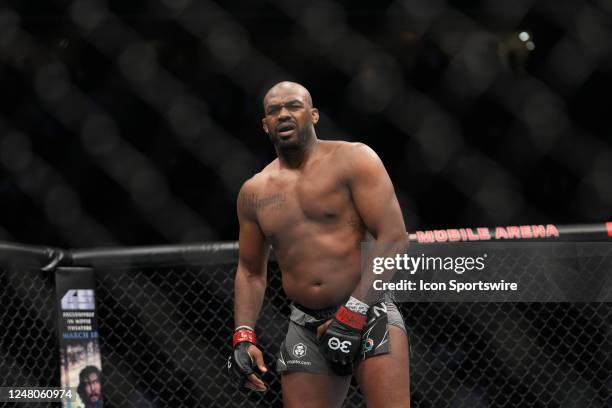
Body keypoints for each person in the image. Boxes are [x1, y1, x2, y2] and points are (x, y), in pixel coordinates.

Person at [228, 81, 411, 407]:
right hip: (305, 324)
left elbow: (394, 237)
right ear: (265, 125)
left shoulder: (353, 159)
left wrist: (353, 312)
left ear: (313, 115)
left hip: (369, 311)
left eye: (293, 106)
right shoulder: (254, 193)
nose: (284, 114)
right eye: (274, 110)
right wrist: (243, 335)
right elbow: (250, 271)